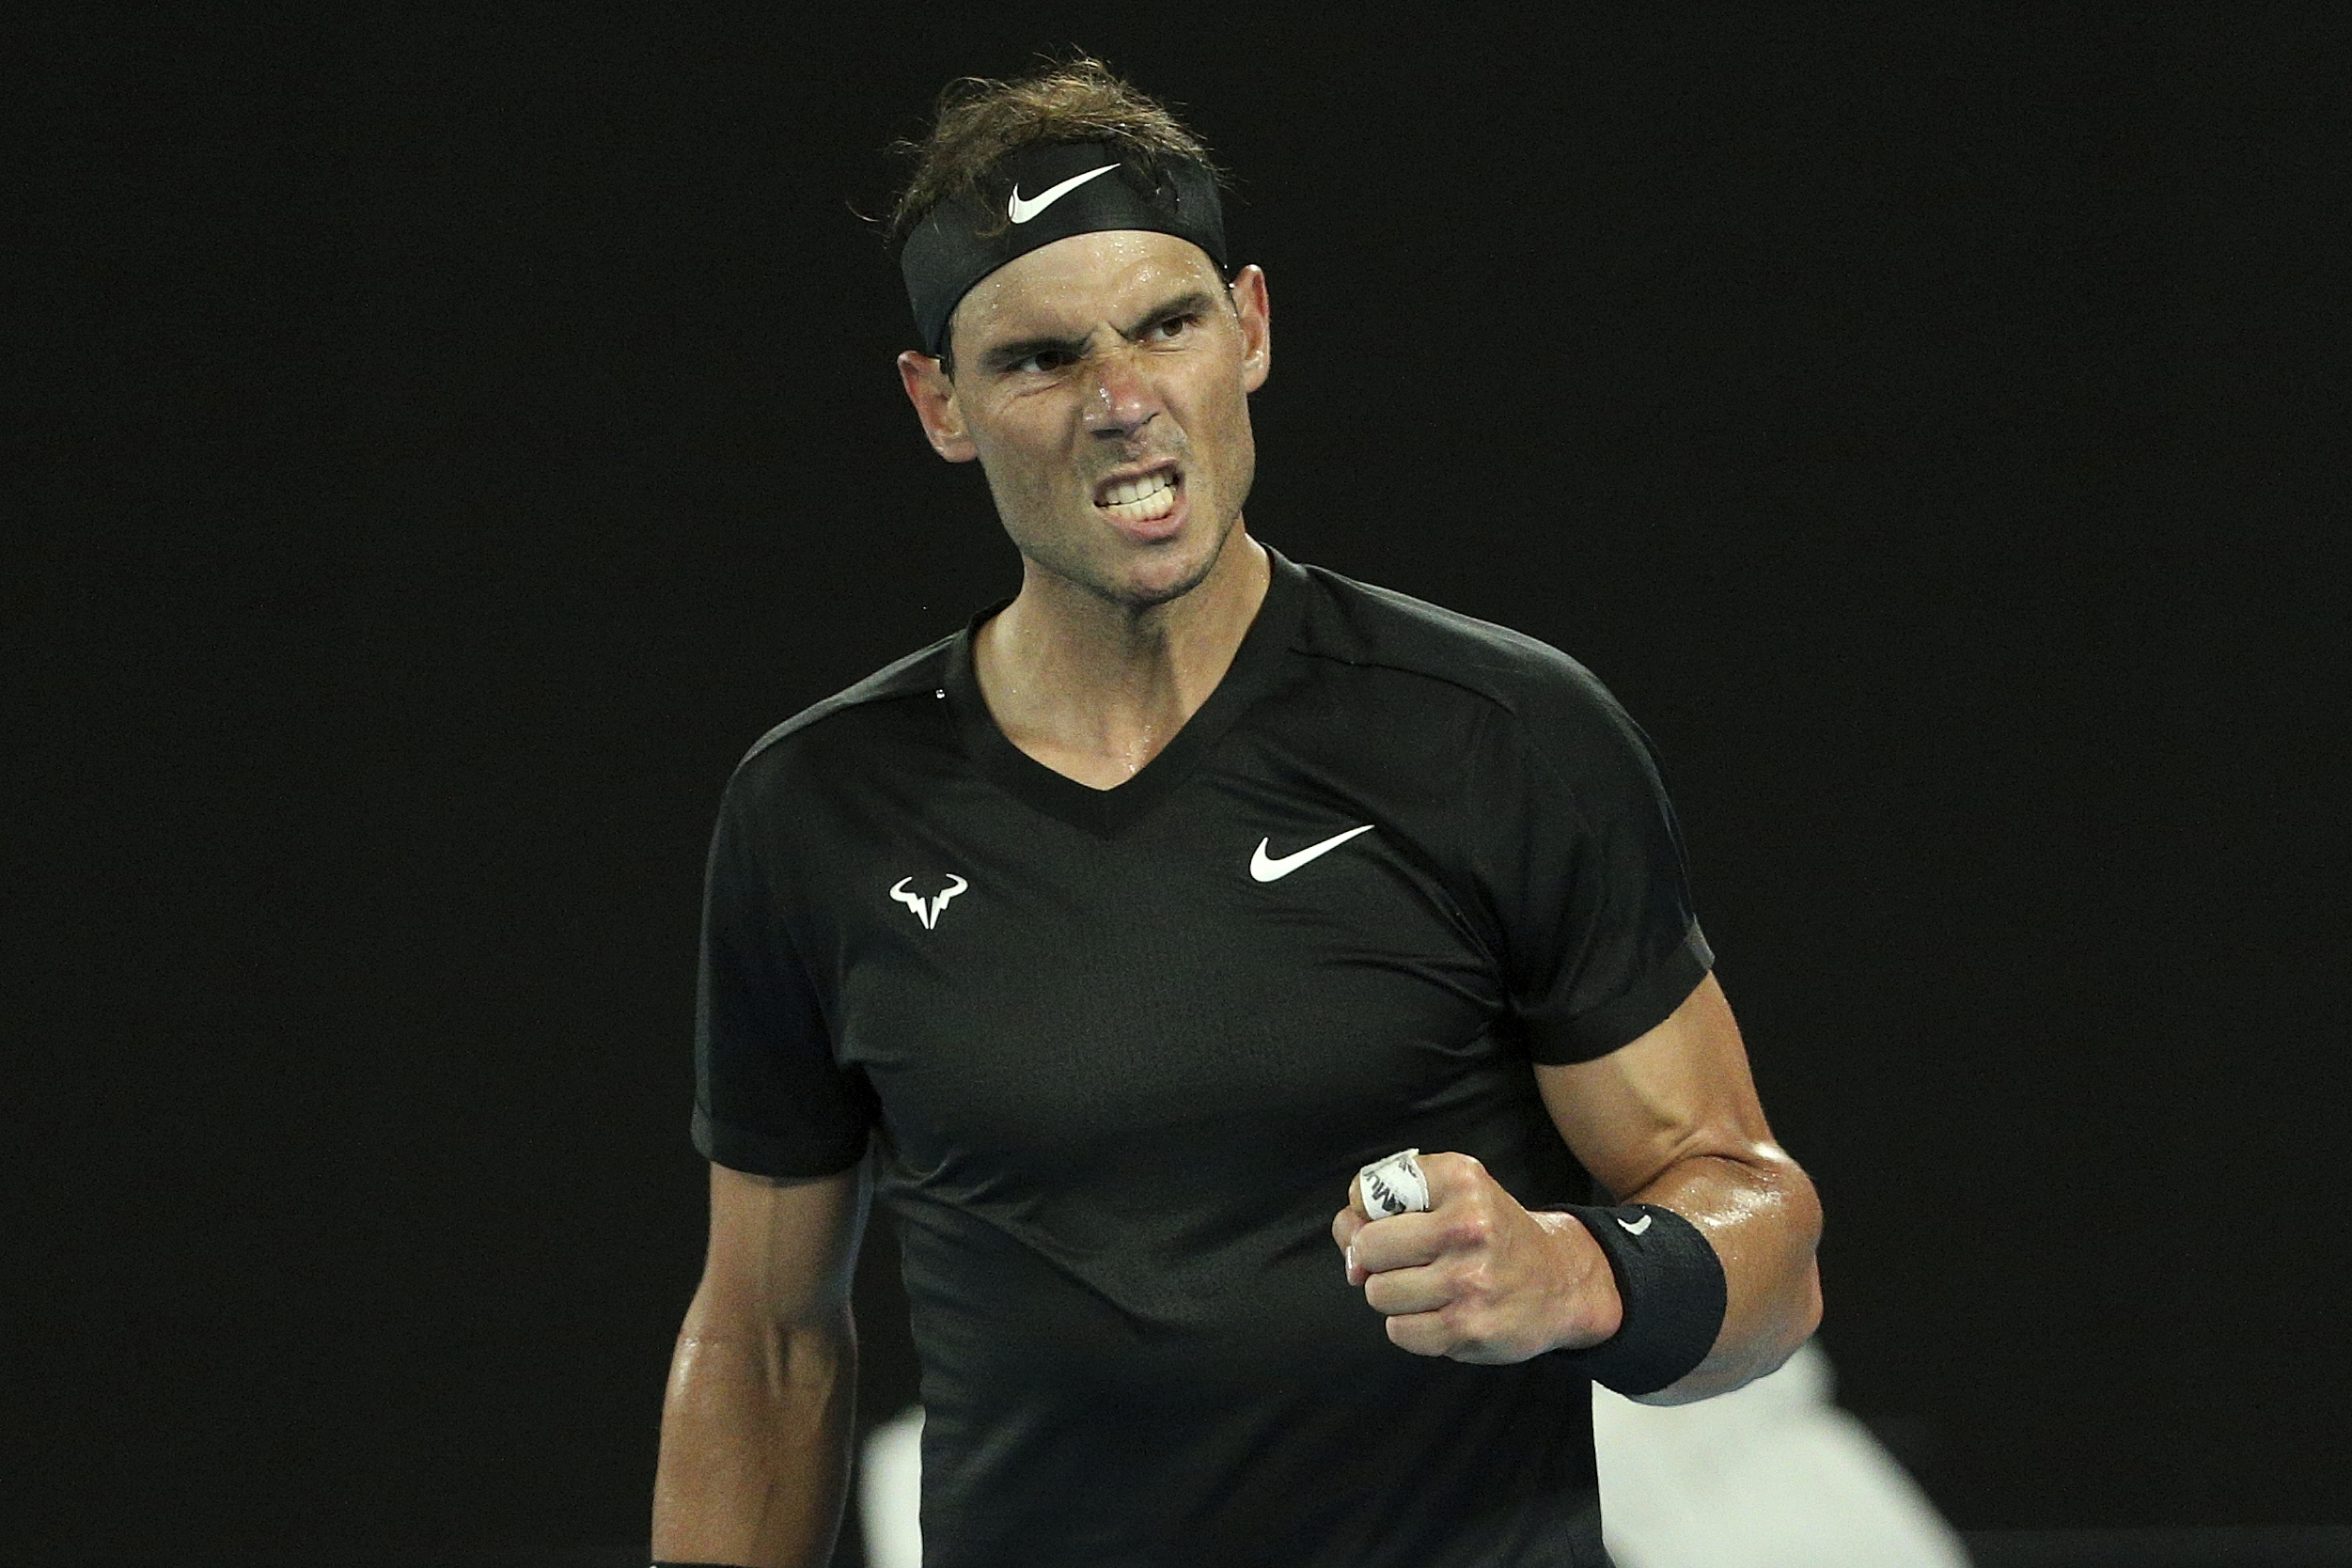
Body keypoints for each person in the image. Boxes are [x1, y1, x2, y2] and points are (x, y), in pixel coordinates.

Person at [650, 56, 1823, 1568]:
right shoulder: (816, 809)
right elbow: (765, 1342)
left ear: (1249, 326)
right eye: (1041, 359)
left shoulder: (1499, 736)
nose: (1124, 404)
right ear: (938, 403)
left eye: (1167, 325)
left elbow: (1762, 1244)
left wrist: (1583, 1273)